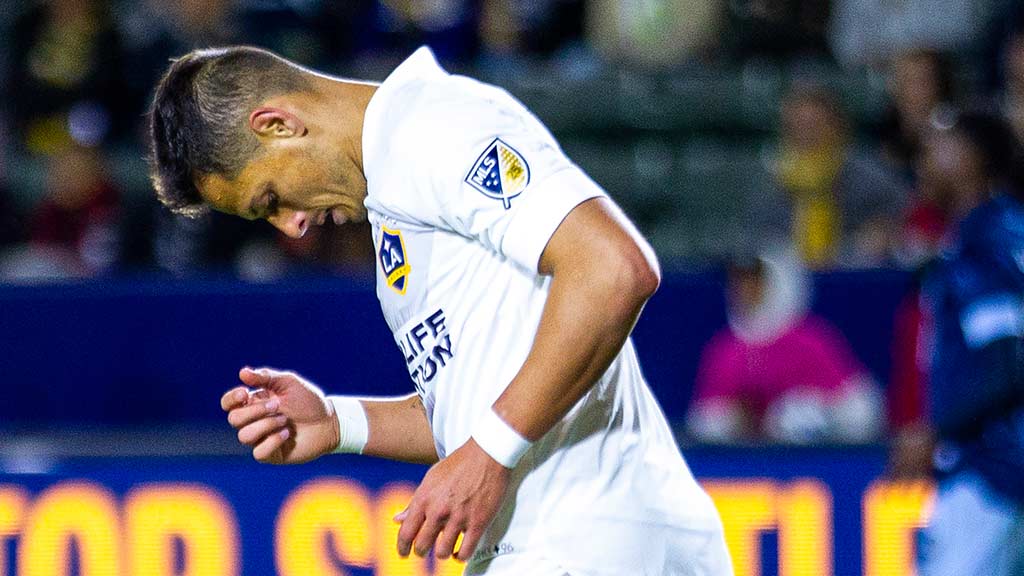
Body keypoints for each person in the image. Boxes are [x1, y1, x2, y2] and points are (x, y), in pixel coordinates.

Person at [147, 46, 731, 575]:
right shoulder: (395, 193)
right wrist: (337, 422)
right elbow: (477, 406)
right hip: (588, 539)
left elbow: (611, 268)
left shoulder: (431, 127)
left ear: (278, 124)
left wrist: (490, 453)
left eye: (270, 200)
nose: (292, 225)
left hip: (583, 539)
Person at [919, 110, 1024, 576]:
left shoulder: (986, 242)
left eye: (941, 146)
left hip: (993, 469)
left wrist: (936, 430)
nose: (926, 160)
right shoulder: (1004, 231)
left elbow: (1004, 361)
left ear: (970, 159)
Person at [686, 251, 883, 445]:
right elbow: (702, 420)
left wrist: (811, 413)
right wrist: (730, 420)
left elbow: (859, 411)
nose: (743, 289)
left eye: (755, 280)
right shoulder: (724, 349)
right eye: (738, 280)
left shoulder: (811, 342)